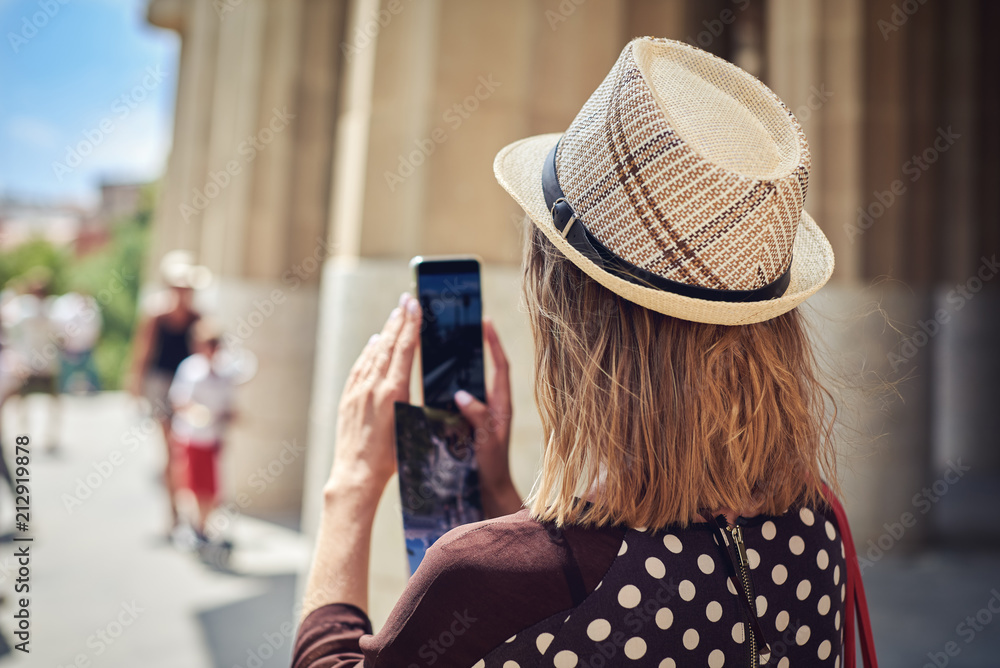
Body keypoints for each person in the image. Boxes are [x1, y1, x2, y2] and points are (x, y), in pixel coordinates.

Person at [294, 38, 862, 667]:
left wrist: (350, 484)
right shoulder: (816, 530)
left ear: (566, 309)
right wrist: (501, 495)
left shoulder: (478, 576)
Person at [129, 250, 210, 532]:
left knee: (187, 448)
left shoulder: (198, 318)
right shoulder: (157, 316)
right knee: (171, 450)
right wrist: (135, 386)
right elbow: (143, 352)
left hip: (188, 388)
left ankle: (189, 507)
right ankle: (173, 510)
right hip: (161, 385)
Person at [167, 319, 236, 541]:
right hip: (192, 437)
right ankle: (197, 527)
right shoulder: (190, 369)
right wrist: (197, 411)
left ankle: (203, 527)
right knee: (194, 486)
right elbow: (178, 400)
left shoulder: (225, 373)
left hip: (212, 437)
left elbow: (227, 406)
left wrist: (228, 416)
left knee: (212, 487)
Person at [50, 291, 103, 394]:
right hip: (68, 348)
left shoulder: (91, 308)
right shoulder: (65, 305)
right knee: (65, 372)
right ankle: (61, 392)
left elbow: (95, 328)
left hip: (85, 347)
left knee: (90, 371)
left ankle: (96, 390)